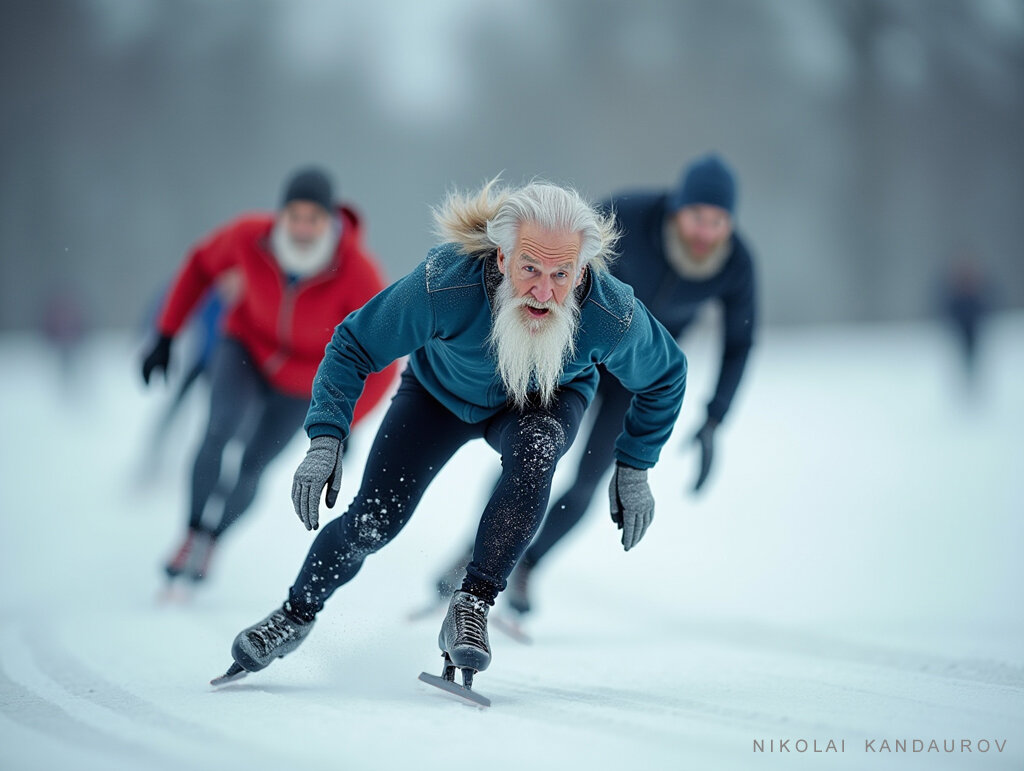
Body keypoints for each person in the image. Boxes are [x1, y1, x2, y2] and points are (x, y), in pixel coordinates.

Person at [215, 179, 687, 695]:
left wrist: (636, 464)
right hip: (437, 397)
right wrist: (326, 438)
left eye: (562, 274)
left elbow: (666, 375)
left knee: (538, 450)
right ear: (502, 257)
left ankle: (472, 605)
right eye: (530, 268)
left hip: (543, 403)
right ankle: (294, 614)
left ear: (581, 270)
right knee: (374, 521)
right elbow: (354, 344)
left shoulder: (609, 313)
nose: (544, 292)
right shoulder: (446, 284)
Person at [433, 153, 758, 618]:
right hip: (575, 355)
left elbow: (740, 342)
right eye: (697, 218)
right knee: (531, 456)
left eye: (718, 222)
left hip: (635, 378)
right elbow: (559, 254)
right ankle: (477, 551)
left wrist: (715, 418)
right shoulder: (627, 215)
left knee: (590, 479)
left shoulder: (736, 264)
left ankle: (529, 565)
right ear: (676, 209)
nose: (705, 233)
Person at [140, 167, 398, 587]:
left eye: (313, 219)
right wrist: (166, 334)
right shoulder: (249, 237)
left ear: (330, 221)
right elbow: (201, 264)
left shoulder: (357, 271)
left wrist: (346, 421)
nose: (302, 228)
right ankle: (190, 533)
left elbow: (384, 360)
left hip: (305, 384)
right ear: (281, 215)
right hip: (244, 349)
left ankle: (213, 541)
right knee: (218, 430)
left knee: (253, 466)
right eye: (294, 217)